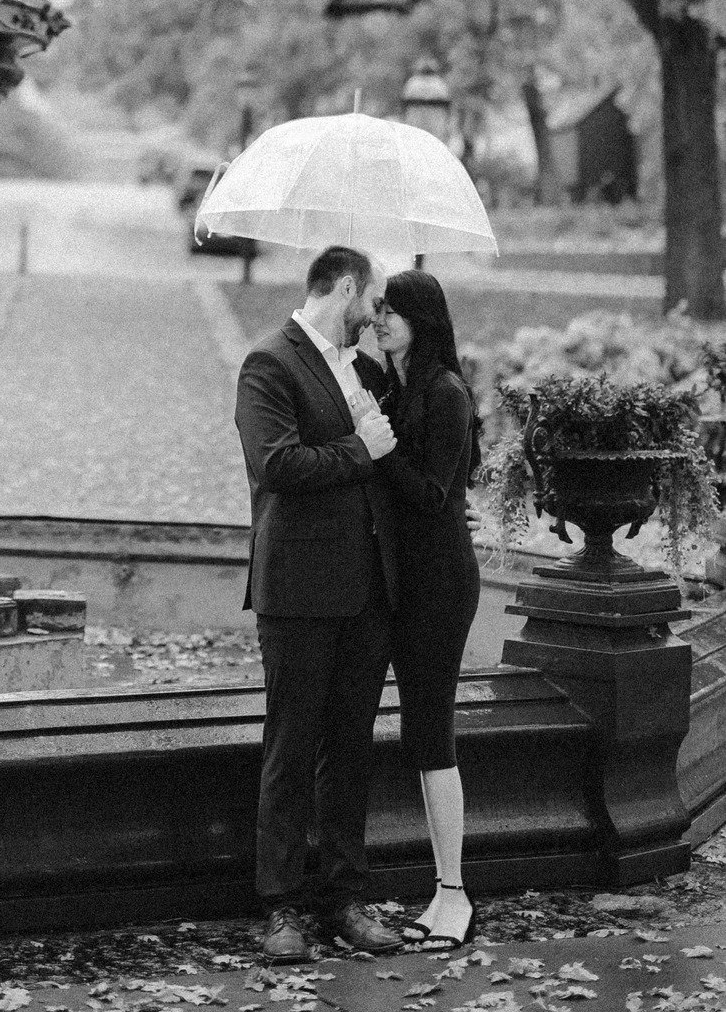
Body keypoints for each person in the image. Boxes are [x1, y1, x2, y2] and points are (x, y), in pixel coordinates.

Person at [234, 244, 403, 963]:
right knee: (292, 746)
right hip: (299, 590)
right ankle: (280, 907)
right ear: (345, 287)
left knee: (351, 749)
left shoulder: (357, 368)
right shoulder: (269, 362)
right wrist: (361, 448)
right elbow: (276, 465)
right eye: (372, 301)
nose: (375, 316)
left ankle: (343, 899)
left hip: (364, 589)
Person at [371, 267, 483, 950]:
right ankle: (443, 888)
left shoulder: (444, 393)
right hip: (404, 581)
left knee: (432, 731)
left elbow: (431, 495)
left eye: (392, 310)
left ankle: (455, 894)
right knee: (419, 735)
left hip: (439, 582)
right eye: (377, 309)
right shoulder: (396, 387)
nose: (379, 320)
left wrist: (379, 450)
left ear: (423, 320)